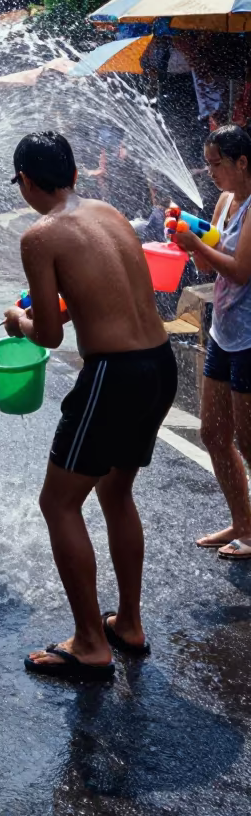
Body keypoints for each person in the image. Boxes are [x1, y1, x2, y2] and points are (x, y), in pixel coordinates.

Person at [2, 132, 177, 681]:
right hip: (159, 364)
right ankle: (128, 623)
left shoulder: (41, 236)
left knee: (58, 503)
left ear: (27, 182)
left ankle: (90, 642)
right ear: (75, 174)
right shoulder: (110, 213)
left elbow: (49, 336)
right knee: (115, 491)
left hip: (114, 376)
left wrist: (19, 323)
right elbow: (115, 293)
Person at [172, 125, 251, 558]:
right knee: (213, 433)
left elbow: (240, 270)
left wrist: (193, 243)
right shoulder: (223, 202)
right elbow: (210, 270)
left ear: (242, 162)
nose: (210, 173)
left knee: (249, 440)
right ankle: (241, 522)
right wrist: (188, 245)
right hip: (223, 330)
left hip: (249, 338)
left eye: (217, 164)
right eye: (207, 164)